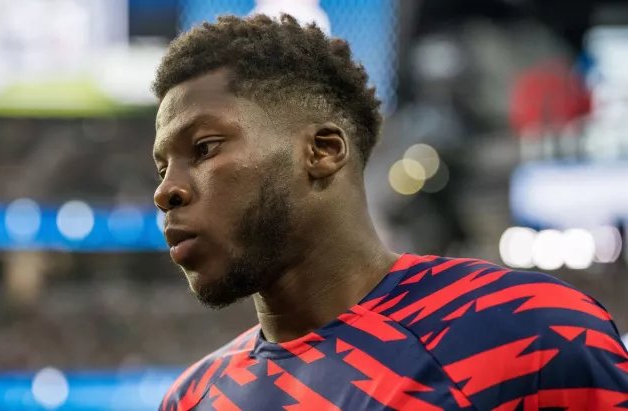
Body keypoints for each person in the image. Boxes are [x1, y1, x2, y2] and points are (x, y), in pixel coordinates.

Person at [152, 14, 628, 410]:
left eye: (204, 147)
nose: (165, 190)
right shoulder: (191, 399)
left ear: (322, 151)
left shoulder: (528, 333)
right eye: (161, 168)